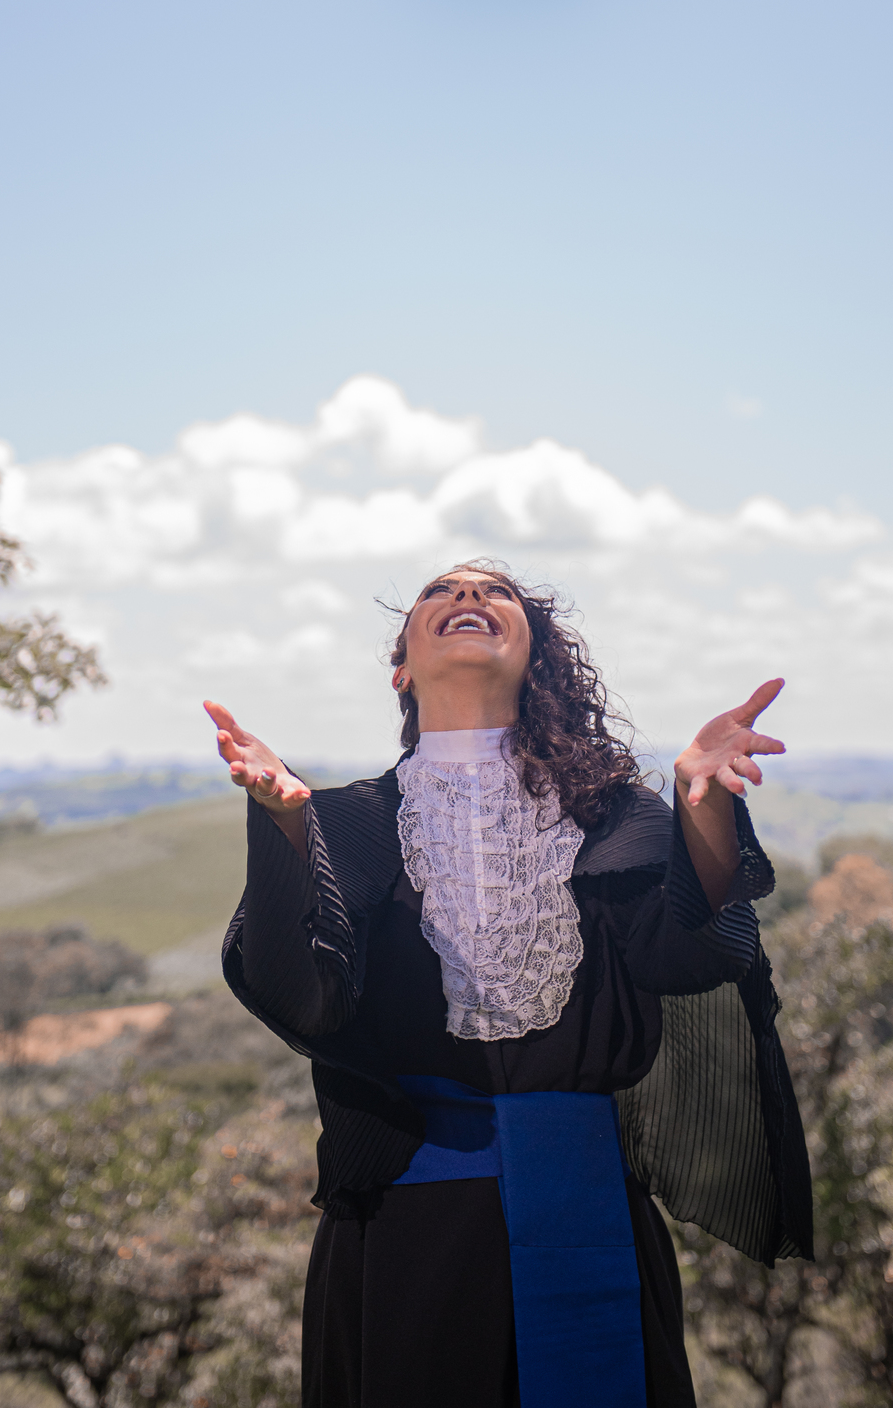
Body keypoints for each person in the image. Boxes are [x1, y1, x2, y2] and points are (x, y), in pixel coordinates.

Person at [206, 559, 813, 1408]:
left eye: (496, 592)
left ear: (536, 658)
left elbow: (687, 955)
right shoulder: (339, 822)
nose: (468, 596)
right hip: (404, 1227)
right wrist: (282, 825)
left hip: (587, 1203)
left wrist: (700, 801)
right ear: (400, 670)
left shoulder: (614, 815)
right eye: (440, 590)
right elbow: (301, 995)